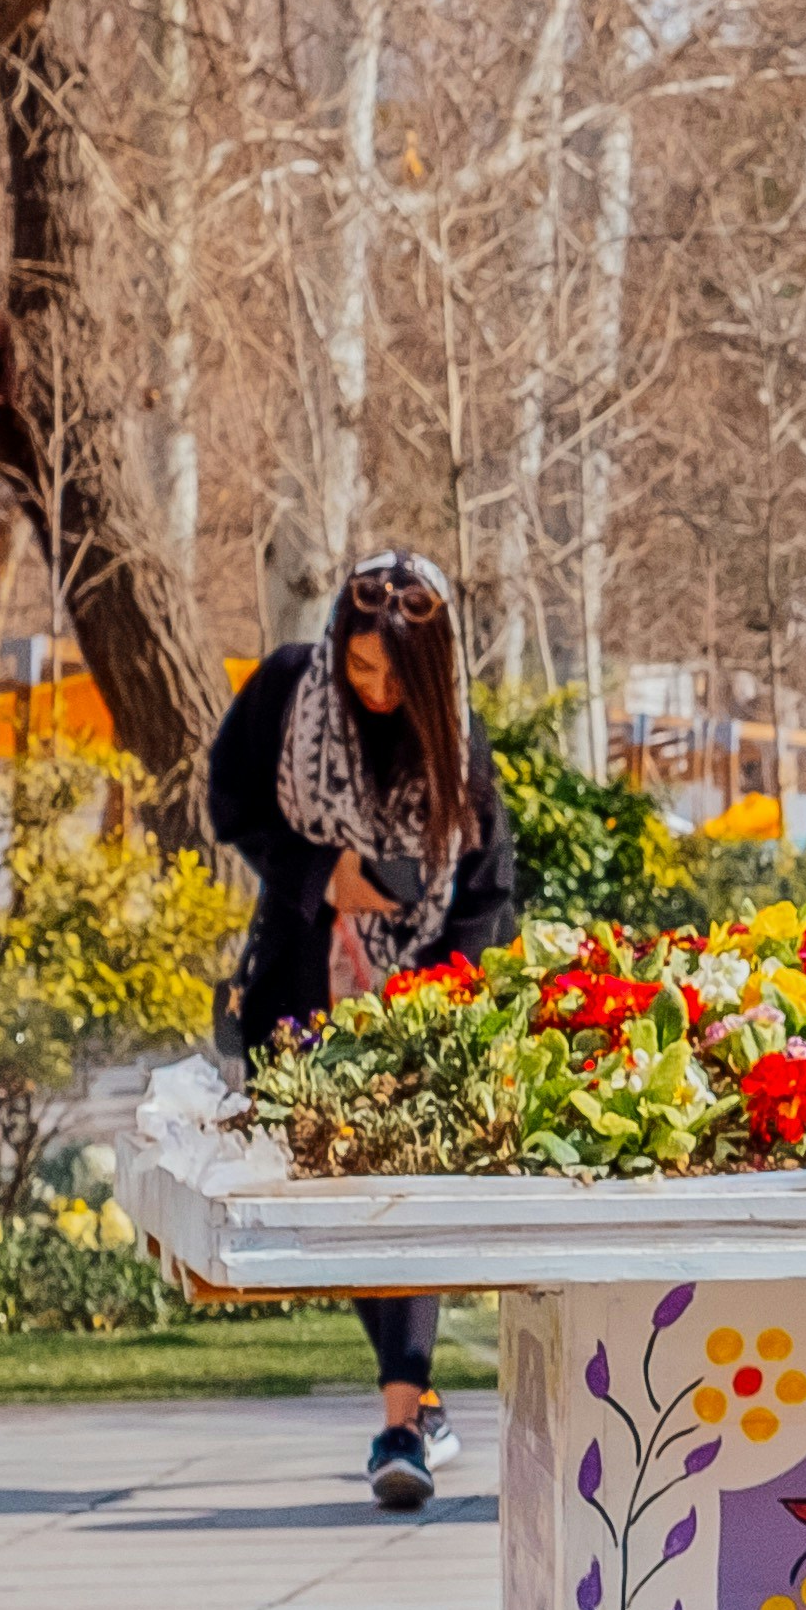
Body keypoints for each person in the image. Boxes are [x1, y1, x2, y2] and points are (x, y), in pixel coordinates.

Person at [209, 554, 520, 1511]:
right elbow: (233, 807)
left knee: (405, 1203)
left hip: (415, 1011)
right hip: (304, 990)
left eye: (394, 676)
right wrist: (318, 880)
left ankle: (397, 1425)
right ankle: (417, 1391)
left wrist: (431, 1002)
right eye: (360, 669)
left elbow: (489, 888)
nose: (374, 691)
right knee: (350, 1210)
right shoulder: (287, 693)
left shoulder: (458, 749)